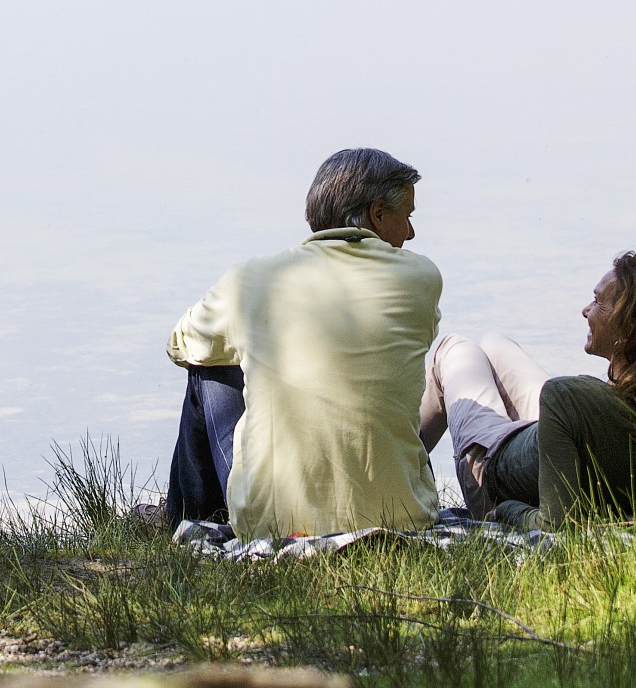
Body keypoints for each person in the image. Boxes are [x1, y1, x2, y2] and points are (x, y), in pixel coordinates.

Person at [161, 148, 442, 540]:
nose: (411, 233)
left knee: (207, 365)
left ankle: (185, 520)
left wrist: (256, 337)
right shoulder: (422, 277)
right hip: (404, 516)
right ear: (377, 214)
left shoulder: (252, 279)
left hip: (275, 526)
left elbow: (179, 344)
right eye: (407, 217)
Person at [418, 248, 636, 529]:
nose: (585, 310)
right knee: (493, 343)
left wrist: (509, 509)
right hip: (546, 444)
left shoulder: (567, 397)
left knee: (453, 348)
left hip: (491, 476)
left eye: (597, 301)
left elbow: (555, 523)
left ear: (627, 329)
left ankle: (404, 486)